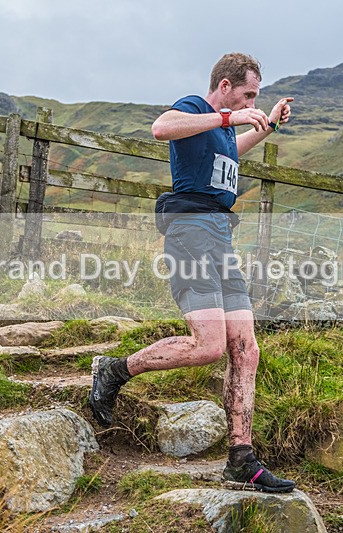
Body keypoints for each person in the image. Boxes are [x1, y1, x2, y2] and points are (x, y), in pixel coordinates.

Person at [89, 53, 295, 493]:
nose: (251, 102)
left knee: (246, 348)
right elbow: (161, 128)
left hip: (221, 239)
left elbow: (229, 154)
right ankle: (115, 370)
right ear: (225, 86)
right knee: (209, 346)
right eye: (248, 94)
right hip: (189, 234)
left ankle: (241, 458)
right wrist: (229, 116)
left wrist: (268, 126)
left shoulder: (220, 130)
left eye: (255, 97)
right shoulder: (198, 109)